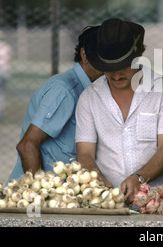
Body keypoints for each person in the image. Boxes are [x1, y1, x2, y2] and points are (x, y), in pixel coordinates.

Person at [75, 18, 163, 200]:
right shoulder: (89, 97)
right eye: (108, 68)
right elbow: (85, 153)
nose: (116, 75)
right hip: (106, 200)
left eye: (122, 67)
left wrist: (139, 178)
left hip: (156, 199)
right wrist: (98, 179)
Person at [8, 26, 103, 180]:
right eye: (104, 58)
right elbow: (27, 146)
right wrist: (37, 195)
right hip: (44, 197)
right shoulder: (65, 91)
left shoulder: (91, 90)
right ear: (84, 55)